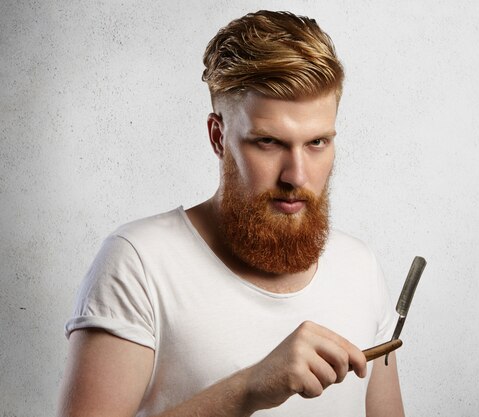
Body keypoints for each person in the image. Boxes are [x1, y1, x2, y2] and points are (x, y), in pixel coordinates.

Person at [58, 10, 404, 417]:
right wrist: (247, 389)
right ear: (218, 136)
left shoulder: (359, 266)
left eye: (317, 142)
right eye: (269, 142)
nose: (297, 175)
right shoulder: (139, 262)